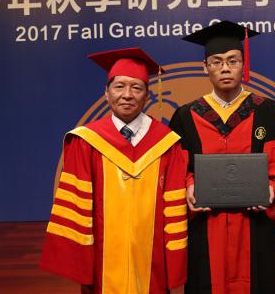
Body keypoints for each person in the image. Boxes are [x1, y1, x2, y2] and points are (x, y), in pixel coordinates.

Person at [40, 47, 188, 294]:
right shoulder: (87, 141)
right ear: (106, 93)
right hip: (101, 258)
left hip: (152, 259)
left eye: (136, 88)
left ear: (147, 95)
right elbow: (76, 207)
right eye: (119, 86)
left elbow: (175, 205)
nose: (127, 95)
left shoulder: (167, 143)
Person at [169, 21, 275, 294]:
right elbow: (179, 167)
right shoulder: (185, 116)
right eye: (217, 62)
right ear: (205, 67)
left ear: (243, 65)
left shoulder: (268, 111)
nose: (225, 68)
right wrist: (189, 186)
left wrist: (272, 188)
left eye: (233, 61)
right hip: (206, 222)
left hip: (254, 222)